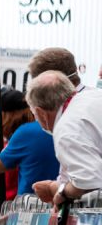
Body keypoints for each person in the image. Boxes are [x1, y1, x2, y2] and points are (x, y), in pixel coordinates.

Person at [26, 71, 102, 207]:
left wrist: (60, 191)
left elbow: (89, 183)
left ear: (41, 113)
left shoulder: (66, 128)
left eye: (34, 115)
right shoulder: (92, 95)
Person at [0, 88, 59, 197]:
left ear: (6, 116)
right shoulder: (60, 126)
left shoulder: (24, 133)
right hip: (62, 199)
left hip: (31, 203)